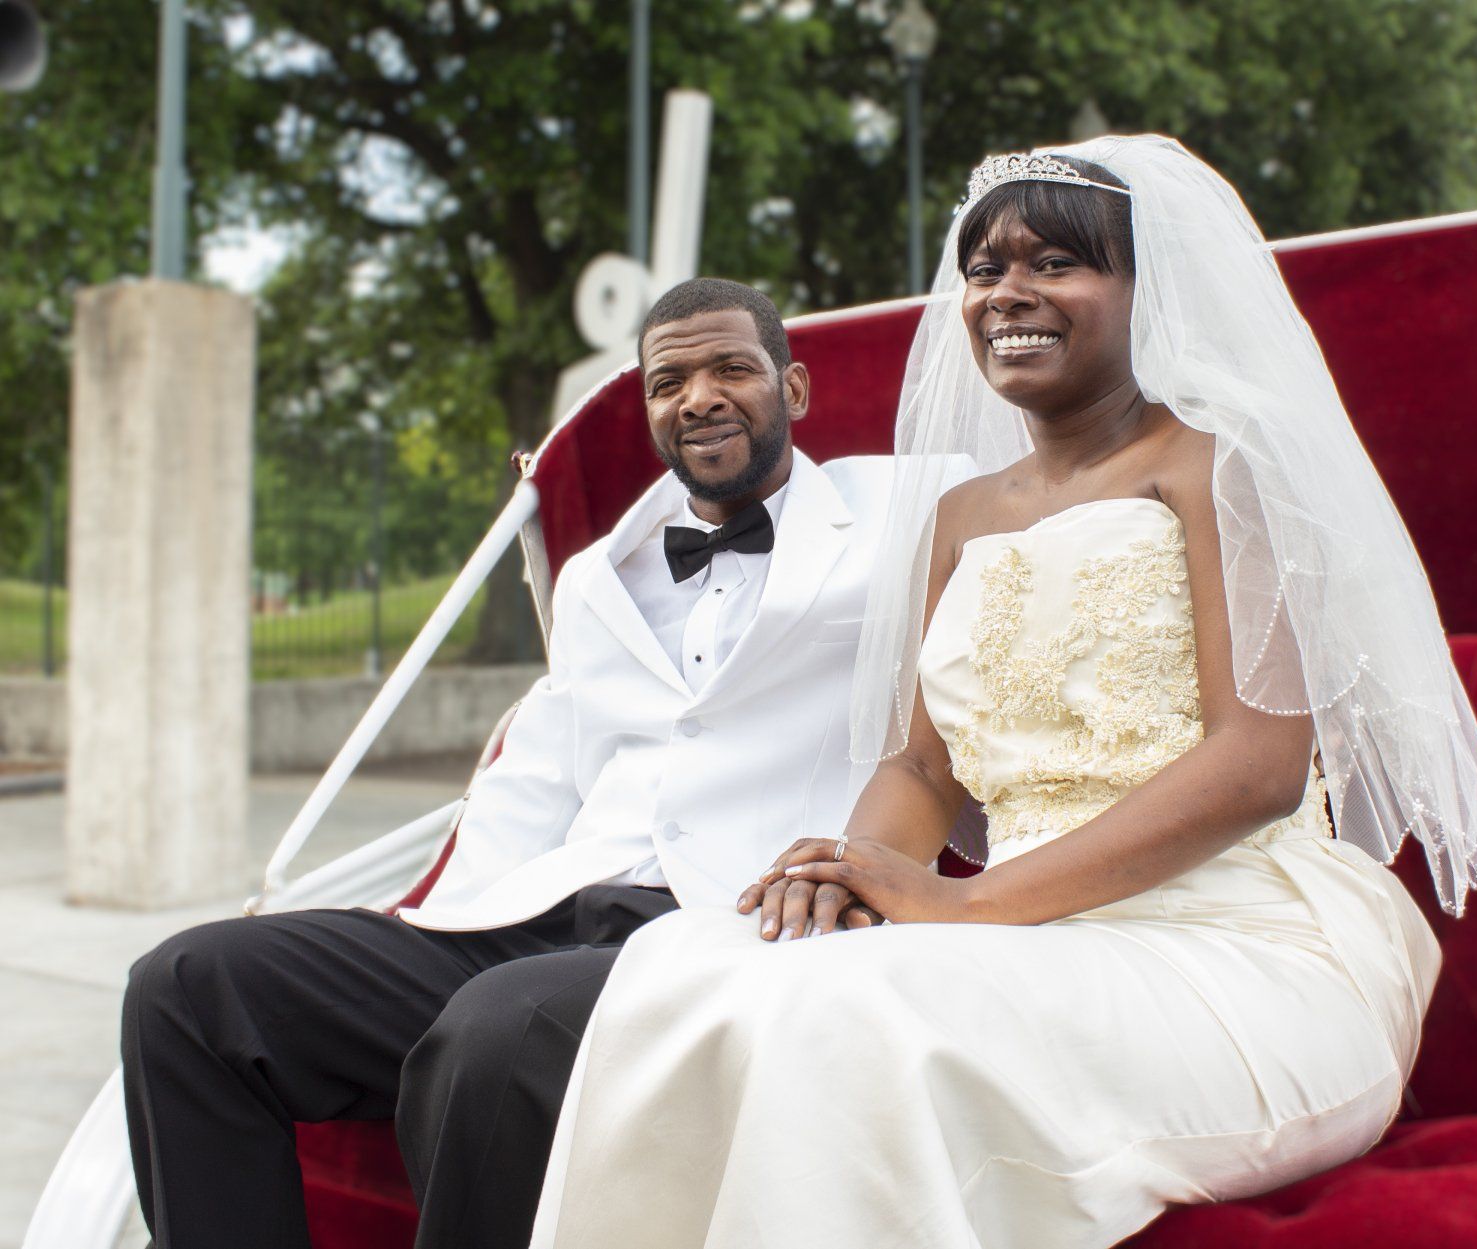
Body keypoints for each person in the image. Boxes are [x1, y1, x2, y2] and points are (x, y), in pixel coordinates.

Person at [529, 137, 1477, 1249]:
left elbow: (1259, 763)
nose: (1010, 292)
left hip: (1234, 941)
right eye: (986, 267)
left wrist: (962, 903)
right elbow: (917, 765)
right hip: (1018, 942)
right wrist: (858, 879)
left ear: (1149, 292)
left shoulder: (1218, 464)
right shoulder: (959, 515)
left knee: (847, 1021)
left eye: (1056, 262)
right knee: (682, 971)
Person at [118, 277, 906, 1249]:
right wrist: (421, 929)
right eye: (669, 381)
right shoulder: (596, 576)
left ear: (794, 389)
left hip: (729, 929)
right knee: (189, 983)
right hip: (542, 915)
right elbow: (539, 777)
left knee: (503, 1029)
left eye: (731, 368)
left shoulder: (899, 521)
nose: (699, 396)